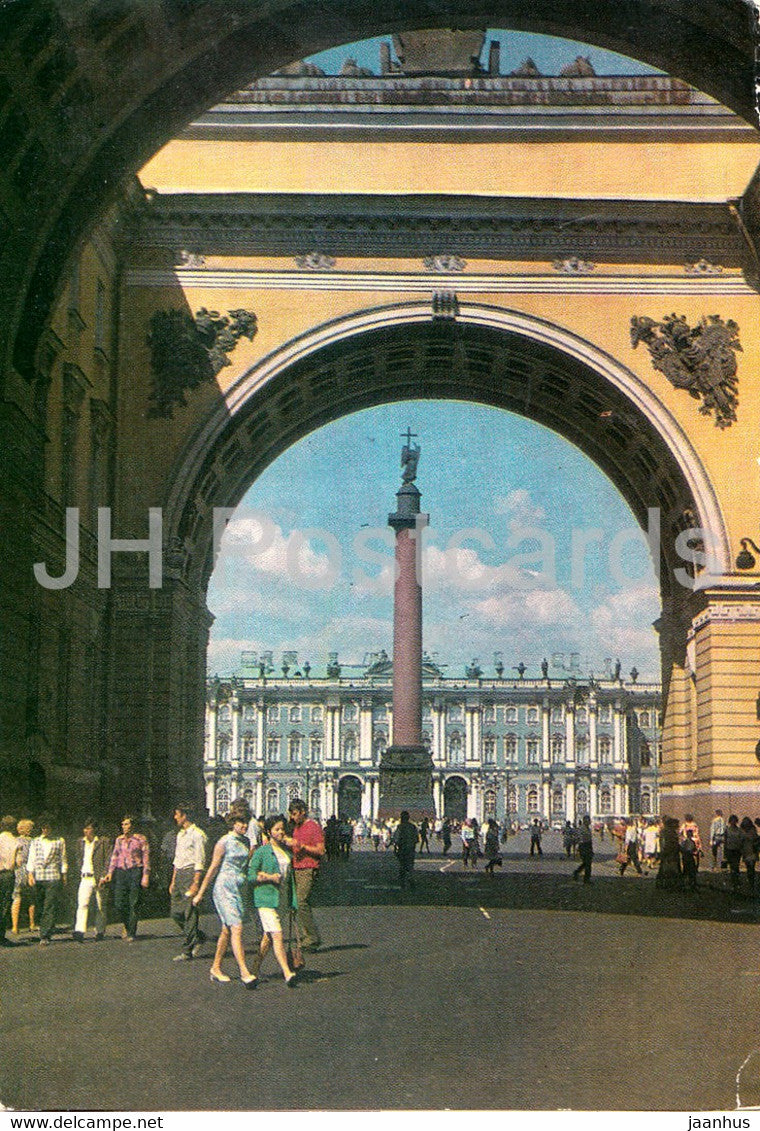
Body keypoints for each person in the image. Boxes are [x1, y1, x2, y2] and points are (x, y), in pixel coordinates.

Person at [192, 803, 257, 985]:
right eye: (241, 822)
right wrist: (200, 893)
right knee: (237, 928)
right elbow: (212, 868)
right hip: (224, 888)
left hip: (238, 889)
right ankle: (245, 972)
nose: (244, 826)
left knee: (227, 930)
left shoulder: (245, 842)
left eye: (246, 823)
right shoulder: (224, 842)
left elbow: (247, 865)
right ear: (233, 822)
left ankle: (216, 967)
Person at [248, 814, 298, 987]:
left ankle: (254, 970)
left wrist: (293, 903)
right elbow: (250, 875)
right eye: (277, 829)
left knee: (267, 938)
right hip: (266, 900)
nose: (281, 832)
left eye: (282, 829)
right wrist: (268, 877)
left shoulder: (286, 852)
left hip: (282, 900)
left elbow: (290, 879)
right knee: (277, 935)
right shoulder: (262, 852)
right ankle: (287, 972)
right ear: (269, 832)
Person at [102, 814, 150, 941]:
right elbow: (115, 856)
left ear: (132, 825)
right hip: (121, 872)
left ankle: (131, 932)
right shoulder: (119, 840)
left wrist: (145, 876)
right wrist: (110, 873)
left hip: (135, 871)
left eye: (127, 824)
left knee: (133, 902)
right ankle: (126, 925)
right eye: (123, 824)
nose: (125, 827)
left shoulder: (140, 839)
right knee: (119, 903)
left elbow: (146, 858)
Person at [169, 803, 207, 961]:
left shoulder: (197, 834)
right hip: (179, 875)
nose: (175, 817)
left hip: (191, 874)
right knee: (175, 912)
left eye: (177, 814)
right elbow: (177, 859)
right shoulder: (180, 834)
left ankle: (188, 950)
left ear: (184, 815)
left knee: (189, 912)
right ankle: (197, 936)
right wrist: (173, 880)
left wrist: (196, 882)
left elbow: (200, 860)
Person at [285, 798, 324, 952]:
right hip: (296, 867)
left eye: (295, 814)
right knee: (296, 903)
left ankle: (312, 937)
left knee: (301, 901)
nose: (292, 817)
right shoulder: (296, 827)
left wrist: (301, 846)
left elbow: (321, 850)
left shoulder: (313, 827)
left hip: (308, 868)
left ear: (302, 812)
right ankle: (306, 936)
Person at [26, 815, 68, 946]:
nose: (45, 830)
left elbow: (63, 859)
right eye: (43, 827)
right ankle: (46, 927)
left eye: (47, 827)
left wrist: (64, 875)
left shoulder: (59, 841)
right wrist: (30, 874)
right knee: (40, 905)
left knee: (49, 905)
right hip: (39, 876)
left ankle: (45, 935)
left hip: (53, 876)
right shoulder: (35, 841)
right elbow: (31, 858)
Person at [72, 819, 111, 942]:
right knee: (82, 904)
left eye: (89, 828)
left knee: (100, 905)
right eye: (85, 828)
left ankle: (99, 931)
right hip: (85, 876)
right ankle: (79, 931)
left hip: (98, 876)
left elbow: (108, 859)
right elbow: (79, 857)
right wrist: (81, 869)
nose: (86, 831)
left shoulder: (103, 842)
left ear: (94, 829)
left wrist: (104, 875)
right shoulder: (80, 842)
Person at [10, 818, 35, 935]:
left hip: (18, 870)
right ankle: (32, 924)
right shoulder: (33, 842)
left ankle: (15, 926)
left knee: (17, 896)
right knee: (31, 897)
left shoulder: (15, 841)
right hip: (30, 870)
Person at [0, 815, 18, 946]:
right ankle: (1, 936)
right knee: (5, 904)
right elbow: (18, 862)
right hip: (7, 874)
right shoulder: (15, 841)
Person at [392, 810, 419, 890]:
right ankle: (411, 879)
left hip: (402, 848)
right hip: (411, 849)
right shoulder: (413, 827)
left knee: (402, 865)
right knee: (410, 865)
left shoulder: (400, 827)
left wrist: (395, 847)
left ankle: (403, 882)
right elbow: (417, 839)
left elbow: (396, 839)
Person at [655, 816, 683, 890]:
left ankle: (663, 884)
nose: (678, 826)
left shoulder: (667, 831)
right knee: (669, 869)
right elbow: (666, 844)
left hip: (670, 853)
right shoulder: (668, 832)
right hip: (670, 853)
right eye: (676, 824)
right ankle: (668, 885)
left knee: (665, 869)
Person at [724, 814, 743, 892]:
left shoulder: (739, 830)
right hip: (730, 849)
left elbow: (741, 840)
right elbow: (725, 840)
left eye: (735, 821)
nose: (733, 822)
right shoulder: (727, 830)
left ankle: (736, 880)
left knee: (736, 865)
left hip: (737, 850)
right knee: (732, 866)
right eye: (732, 821)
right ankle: (734, 881)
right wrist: (725, 852)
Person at [572, 815, 594, 883]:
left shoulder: (588, 829)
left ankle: (576, 872)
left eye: (589, 820)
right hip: (583, 846)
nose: (589, 822)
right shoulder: (581, 829)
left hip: (588, 846)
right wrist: (577, 849)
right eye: (588, 820)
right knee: (588, 863)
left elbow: (589, 839)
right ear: (584, 821)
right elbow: (577, 839)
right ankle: (586, 879)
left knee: (586, 863)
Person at [739, 816, 758, 894]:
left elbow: (755, 839)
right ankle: (751, 882)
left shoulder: (752, 830)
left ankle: (751, 882)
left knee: (751, 867)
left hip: (752, 851)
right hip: (746, 851)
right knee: (749, 867)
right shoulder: (742, 831)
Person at [680, 827, 698, 891]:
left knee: (688, 871)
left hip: (688, 858)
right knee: (688, 871)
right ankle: (688, 884)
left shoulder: (686, 842)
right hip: (688, 858)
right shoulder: (686, 842)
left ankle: (689, 884)